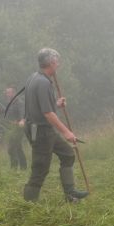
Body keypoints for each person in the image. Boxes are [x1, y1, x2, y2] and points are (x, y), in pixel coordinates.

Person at [22, 48, 89, 202]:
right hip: (40, 131)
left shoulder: (33, 77)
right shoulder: (43, 82)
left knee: (68, 154)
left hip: (42, 129)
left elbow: (39, 106)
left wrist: (55, 104)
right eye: (57, 62)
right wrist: (67, 132)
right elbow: (48, 114)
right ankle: (28, 205)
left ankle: (70, 194)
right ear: (51, 63)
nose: (58, 65)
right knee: (40, 168)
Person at [0, 87, 27, 170]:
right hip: (11, 128)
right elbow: (2, 110)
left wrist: (22, 121)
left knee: (11, 148)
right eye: (6, 93)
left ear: (14, 93)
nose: (7, 94)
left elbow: (23, 113)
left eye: (9, 93)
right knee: (18, 147)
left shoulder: (19, 102)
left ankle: (14, 168)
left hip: (18, 128)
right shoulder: (9, 103)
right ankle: (23, 167)